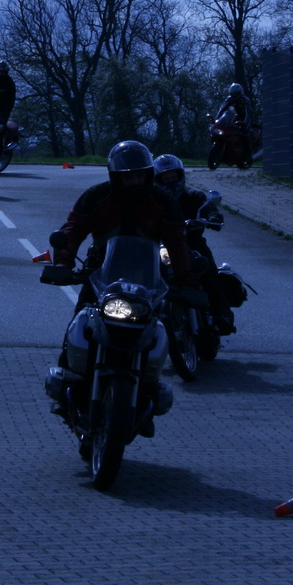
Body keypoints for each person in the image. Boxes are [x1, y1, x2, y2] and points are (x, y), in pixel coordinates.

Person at [47, 140, 199, 424]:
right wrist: (63, 264)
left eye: (140, 175)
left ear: (149, 174)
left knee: (154, 332)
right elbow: (73, 229)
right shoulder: (97, 197)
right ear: (115, 176)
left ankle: (148, 392)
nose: (135, 181)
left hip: (147, 278)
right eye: (128, 176)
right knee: (78, 325)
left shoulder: (163, 202)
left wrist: (186, 279)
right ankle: (67, 386)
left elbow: (177, 242)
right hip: (101, 274)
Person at [153, 153, 235, 334]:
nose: (171, 182)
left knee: (209, 273)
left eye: (173, 177)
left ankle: (222, 315)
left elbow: (208, 208)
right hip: (161, 247)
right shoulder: (154, 201)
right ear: (158, 180)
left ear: (180, 176)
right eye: (166, 178)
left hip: (192, 244)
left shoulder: (193, 196)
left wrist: (213, 217)